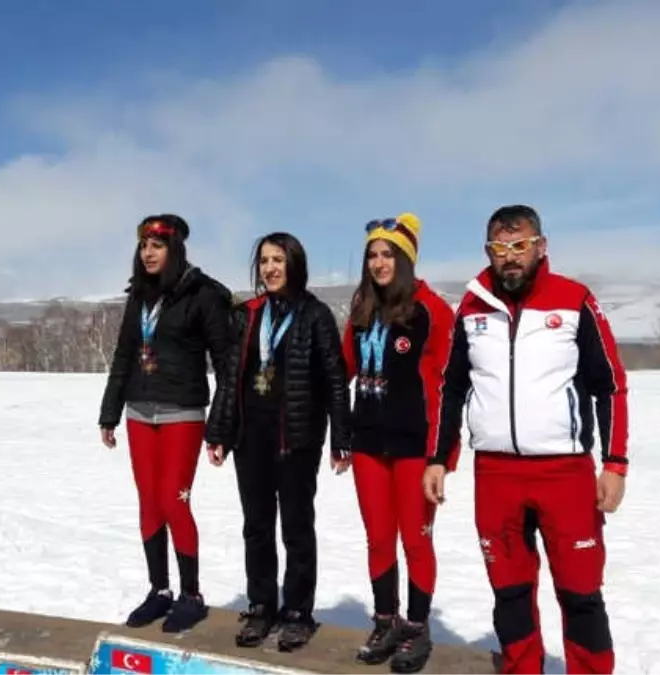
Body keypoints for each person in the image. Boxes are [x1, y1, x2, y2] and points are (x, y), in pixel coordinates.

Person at [424, 205, 629, 675]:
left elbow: (610, 384)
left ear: (541, 246)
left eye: (520, 246)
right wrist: (438, 458)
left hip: (565, 472)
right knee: (510, 590)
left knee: (580, 591)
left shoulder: (573, 299)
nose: (510, 258)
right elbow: (450, 387)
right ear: (488, 253)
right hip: (496, 473)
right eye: (500, 249)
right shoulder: (473, 308)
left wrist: (614, 463)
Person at [204, 231, 352, 652]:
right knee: (256, 527)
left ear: (294, 265)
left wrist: (342, 436)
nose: (270, 268)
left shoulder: (315, 315)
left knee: (296, 528)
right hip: (251, 437)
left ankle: (298, 612)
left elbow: (335, 381)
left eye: (278, 260)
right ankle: (261, 605)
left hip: (297, 437)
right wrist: (218, 431)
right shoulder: (248, 314)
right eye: (264, 261)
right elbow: (230, 378)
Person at [98, 214, 235, 634]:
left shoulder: (202, 294)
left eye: (157, 246)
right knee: (149, 502)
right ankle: (160, 591)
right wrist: (110, 412)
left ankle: (191, 595)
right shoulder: (140, 296)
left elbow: (226, 363)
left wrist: (220, 426)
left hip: (182, 412)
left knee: (175, 501)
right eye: (143, 246)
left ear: (174, 249)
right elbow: (124, 354)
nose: (149, 253)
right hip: (140, 411)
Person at [339, 213, 456, 673]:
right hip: (368, 443)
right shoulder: (362, 306)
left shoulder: (431, 310)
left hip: (414, 448)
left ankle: (416, 627)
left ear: (406, 258)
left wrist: (441, 457)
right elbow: (344, 366)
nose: (378, 262)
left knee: (416, 539)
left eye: (388, 254)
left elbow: (448, 388)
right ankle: (385, 620)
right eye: (372, 254)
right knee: (378, 538)